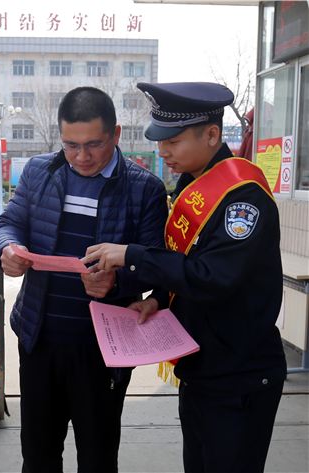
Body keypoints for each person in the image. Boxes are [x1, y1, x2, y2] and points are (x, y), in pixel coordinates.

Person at [83, 82, 287, 473]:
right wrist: (158, 297)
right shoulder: (192, 182)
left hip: (238, 375)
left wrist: (133, 256)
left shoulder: (243, 199)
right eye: (160, 141)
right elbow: (184, 258)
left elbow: (212, 278)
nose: (162, 152)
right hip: (201, 367)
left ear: (212, 135)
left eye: (173, 141)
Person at [0, 87, 168, 472]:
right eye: (70, 145)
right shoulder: (40, 171)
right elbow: (10, 223)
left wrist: (117, 284)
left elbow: (156, 265)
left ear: (116, 135)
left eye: (93, 145)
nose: (81, 156)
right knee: (38, 454)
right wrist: (7, 248)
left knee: (98, 456)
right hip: (39, 338)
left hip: (102, 351)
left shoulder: (144, 189)